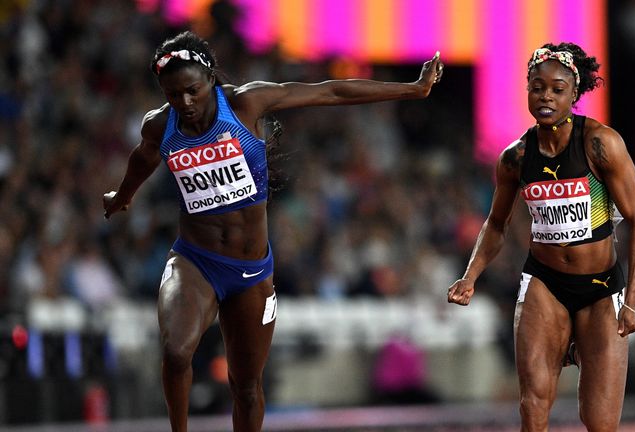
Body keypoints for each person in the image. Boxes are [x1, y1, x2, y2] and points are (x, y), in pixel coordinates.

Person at [103, 31, 443, 432]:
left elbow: (330, 91)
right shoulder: (160, 125)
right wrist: (122, 196)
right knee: (177, 353)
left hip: (251, 272)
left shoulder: (246, 103)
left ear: (210, 78)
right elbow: (143, 157)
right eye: (173, 95)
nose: (186, 103)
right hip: (195, 261)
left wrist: (412, 88)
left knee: (246, 387)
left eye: (193, 91)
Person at [447, 42, 635, 431]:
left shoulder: (600, 144)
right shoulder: (516, 157)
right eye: (537, 88)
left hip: (600, 288)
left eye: (557, 89)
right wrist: (470, 275)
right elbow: (496, 223)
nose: (546, 97)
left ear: (574, 94)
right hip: (545, 283)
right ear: (527, 90)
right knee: (533, 405)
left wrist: (632, 302)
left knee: (600, 422)